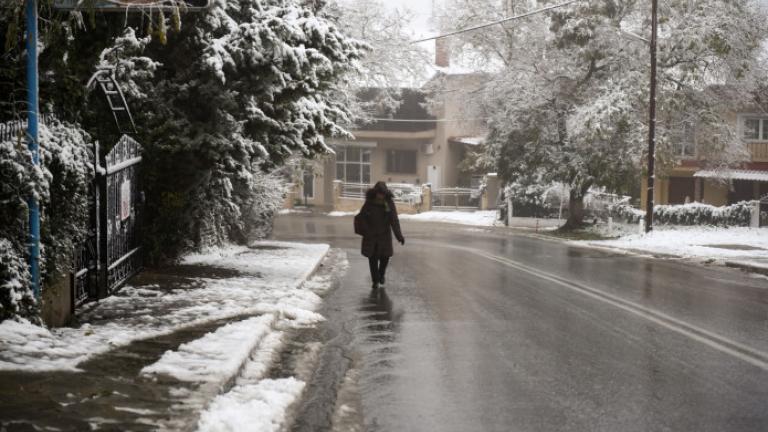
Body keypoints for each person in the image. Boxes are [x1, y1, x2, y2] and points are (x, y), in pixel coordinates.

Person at [357, 181, 405, 289]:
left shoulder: (389, 203)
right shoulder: (369, 202)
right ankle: (375, 281)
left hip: (384, 235)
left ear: (385, 193)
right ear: (375, 193)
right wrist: (366, 229)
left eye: (382, 194)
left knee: (385, 257)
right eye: (379, 193)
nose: (380, 196)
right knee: (373, 259)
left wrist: (399, 236)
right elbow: (362, 217)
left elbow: (394, 220)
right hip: (372, 236)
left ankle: (381, 274)